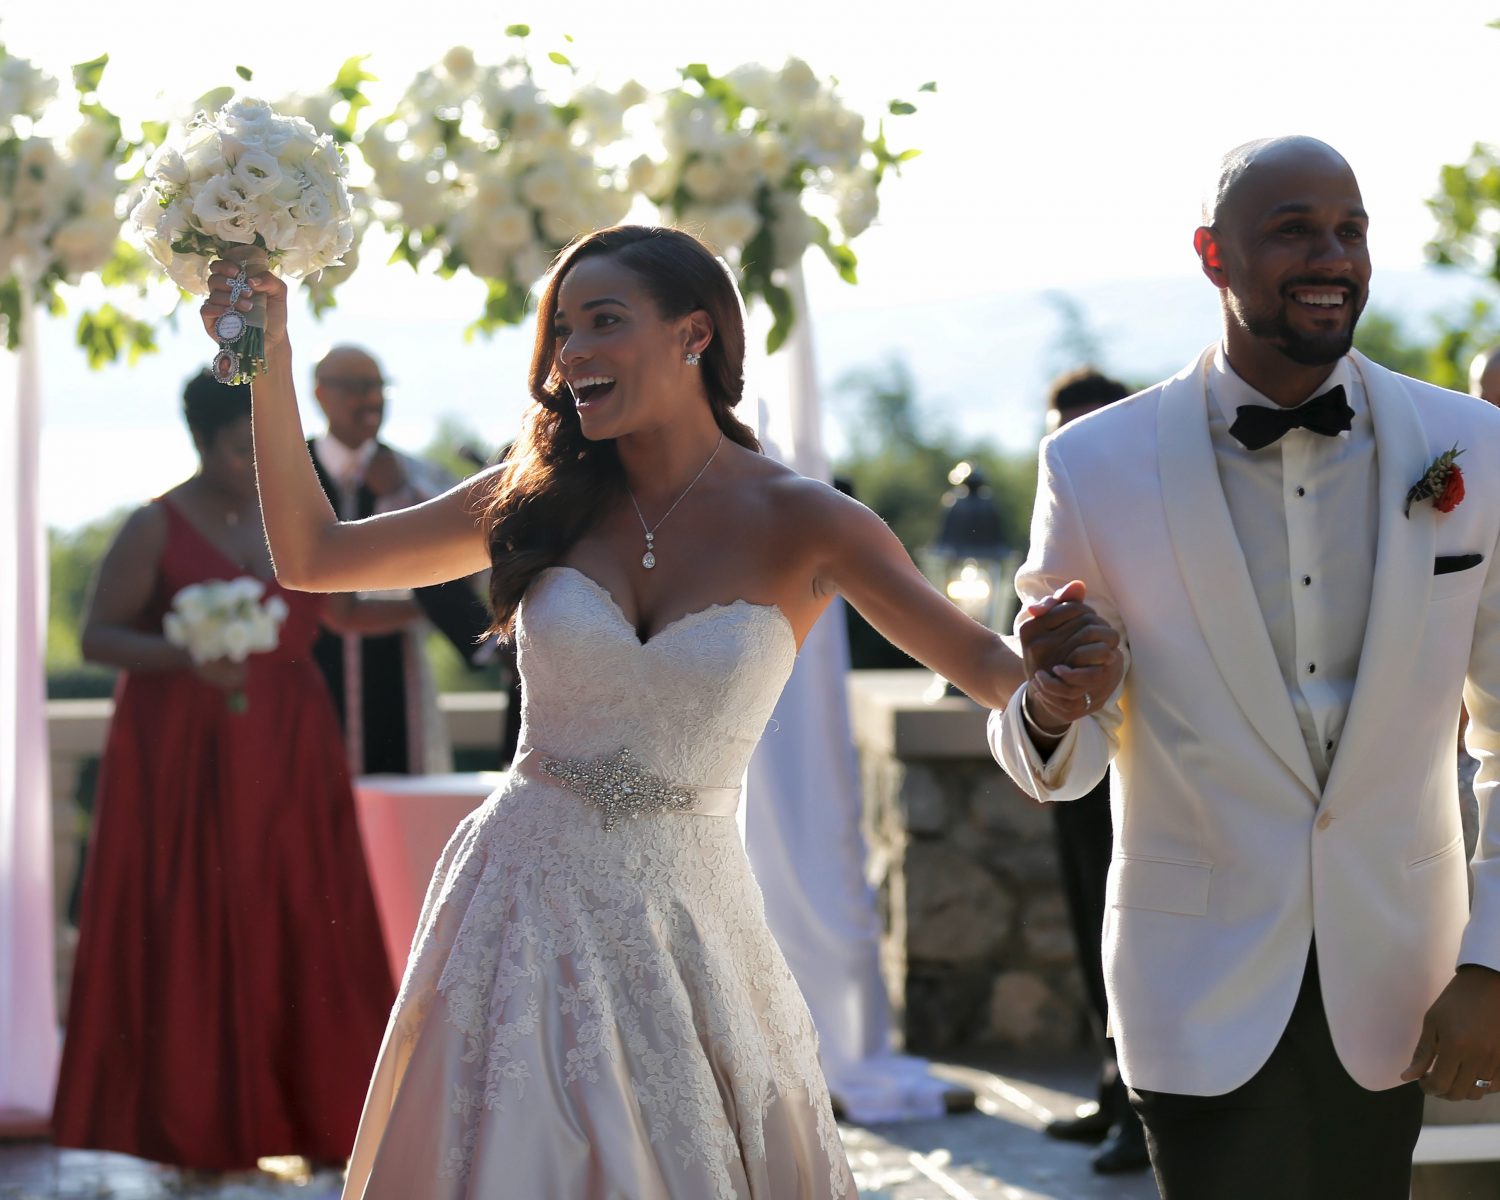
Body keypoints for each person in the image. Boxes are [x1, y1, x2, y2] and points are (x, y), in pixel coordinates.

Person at [200, 224, 1124, 1199]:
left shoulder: (811, 521)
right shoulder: (534, 498)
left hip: (689, 928)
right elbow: (312, 558)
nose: (572, 352)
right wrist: (272, 355)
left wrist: (1060, 682)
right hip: (518, 903)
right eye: (561, 329)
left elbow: (993, 669)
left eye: (603, 321)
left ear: (694, 336)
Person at [990, 136, 1500, 1199]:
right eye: (1294, 229)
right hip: (1194, 982)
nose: (1332, 254)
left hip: (1401, 974)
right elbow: (1053, 756)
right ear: (1212, 256)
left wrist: (1491, 956)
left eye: (1351, 230)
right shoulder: (1093, 465)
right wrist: (1050, 699)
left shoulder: (1474, 447)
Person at [51, 370, 398, 1171]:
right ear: (201, 442)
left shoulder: (297, 515)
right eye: (238, 448)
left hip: (292, 746)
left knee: (307, 907)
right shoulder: (154, 525)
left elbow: (338, 611)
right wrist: (186, 654)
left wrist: (451, 609)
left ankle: (323, 1120)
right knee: (198, 907)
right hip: (188, 754)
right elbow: (98, 635)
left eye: (262, 446)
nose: (253, 461)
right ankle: (199, 1129)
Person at [1033, 368, 1149, 1175]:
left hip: (1142, 760)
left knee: (1130, 934)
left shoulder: (1150, 512)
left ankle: (1140, 1110)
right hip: (1075, 758)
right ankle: (1111, 1092)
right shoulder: (1056, 508)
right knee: (1086, 923)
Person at [307, 344, 496, 775]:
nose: (371, 400)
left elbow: (475, 561)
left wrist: (398, 496)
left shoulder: (419, 476)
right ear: (321, 394)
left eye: (378, 387)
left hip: (399, 673)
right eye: (356, 387)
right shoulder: (295, 474)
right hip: (312, 674)